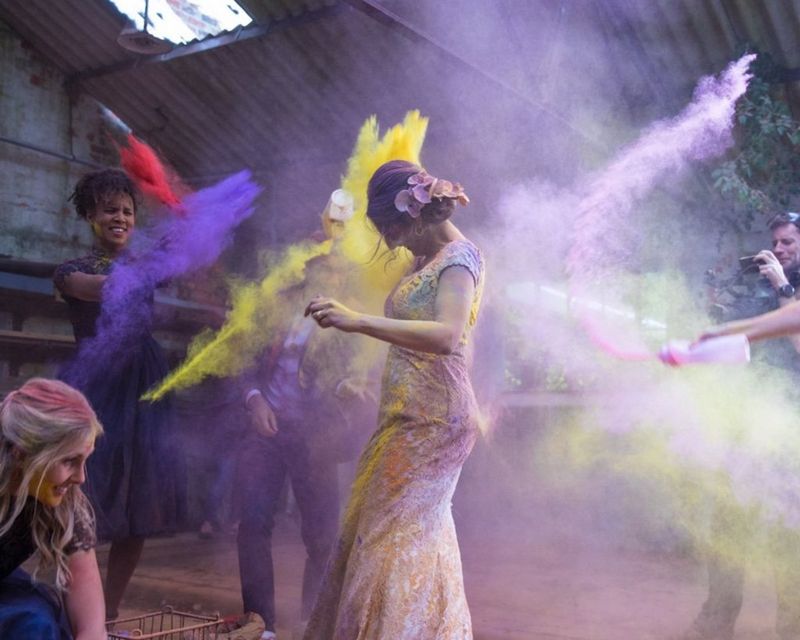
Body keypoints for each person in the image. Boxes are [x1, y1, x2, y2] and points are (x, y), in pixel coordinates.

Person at [302, 159, 484, 639]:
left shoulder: (460, 260)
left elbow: (448, 336)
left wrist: (357, 320)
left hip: (434, 421)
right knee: (407, 535)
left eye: (392, 228)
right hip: (407, 414)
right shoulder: (424, 261)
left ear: (417, 213)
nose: (391, 241)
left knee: (387, 537)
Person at [52, 168, 182, 620]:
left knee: (137, 502)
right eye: (110, 209)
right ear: (90, 215)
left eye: (127, 211)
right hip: (94, 391)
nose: (120, 217)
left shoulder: (143, 267)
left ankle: (108, 612)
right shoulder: (71, 272)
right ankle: (74, 608)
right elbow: (105, 290)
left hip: (143, 388)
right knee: (77, 497)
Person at [679, 212, 800, 640]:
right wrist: (718, 328)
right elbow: (752, 340)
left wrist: (782, 286)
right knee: (730, 522)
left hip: (790, 432)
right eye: (777, 243)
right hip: (750, 422)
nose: (780, 250)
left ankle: (791, 628)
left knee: (788, 531)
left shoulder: (786, 288)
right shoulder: (768, 289)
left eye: (788, 242)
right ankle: (715, 622)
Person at [238, 252, 369, 640]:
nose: (330, 274)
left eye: (337, 268)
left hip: (317, 437)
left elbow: (361, 370)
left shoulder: (351, 314)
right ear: (305, 268)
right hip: (268, 431)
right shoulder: (275, 306)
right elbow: (241, 359)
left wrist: (350, 387)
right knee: (254, 524)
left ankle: (314, 623)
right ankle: (260, 625)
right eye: (323, 266)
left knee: (322, 535)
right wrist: (254, 399)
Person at [0, 377, 106, 640]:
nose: (81, 478)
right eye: (70, 461)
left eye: (84, 460)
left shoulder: (63, 503)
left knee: (36, 626)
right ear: (22, 454)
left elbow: (91, 625)